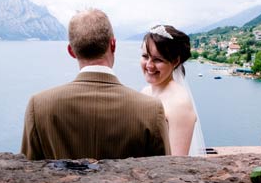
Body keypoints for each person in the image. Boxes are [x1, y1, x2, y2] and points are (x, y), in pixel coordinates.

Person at [21, 9, 171, 160]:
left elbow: (27, 170)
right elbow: (163, 172)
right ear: (113, 45)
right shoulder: (151, 110)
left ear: (71, 51)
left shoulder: (39, 106)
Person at [140, 24, 206, 156]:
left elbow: (177, 162)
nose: (149, 65)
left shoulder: (179, 103)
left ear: (175, 61)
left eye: (157, 60)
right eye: (145, 56)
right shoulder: (145, 92)